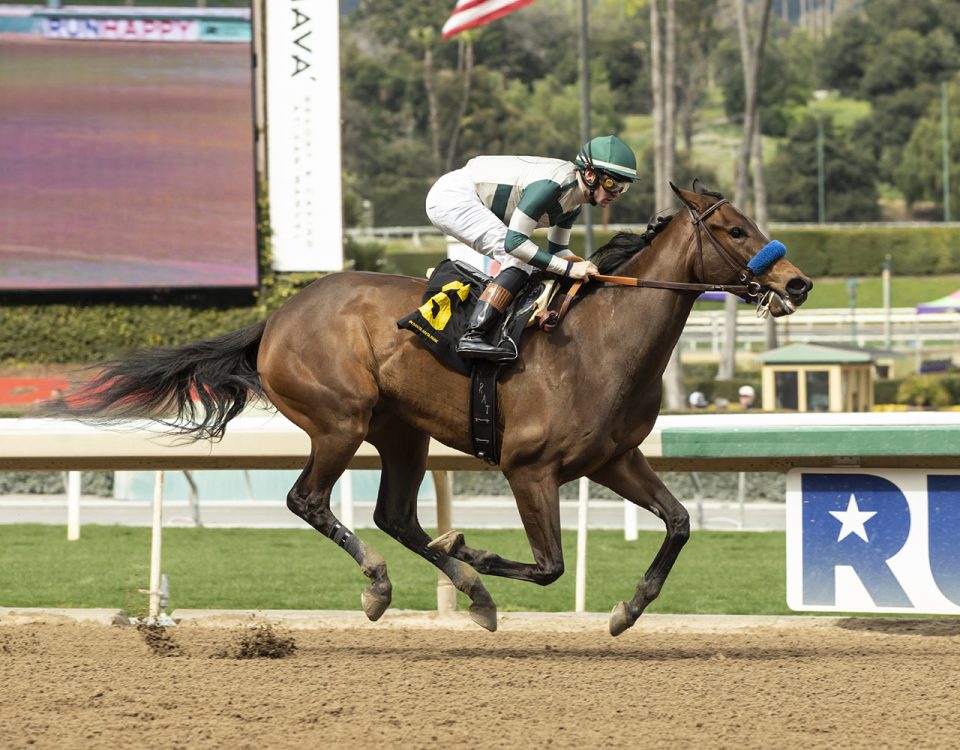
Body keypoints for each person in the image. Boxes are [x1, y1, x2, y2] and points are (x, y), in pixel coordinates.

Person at [425, 135, 637, 360]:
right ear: (590, 175)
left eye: (622, 188)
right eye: (612, 184)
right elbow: (514, 243)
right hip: (454, 197)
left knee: (533, 263)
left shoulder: (574, 204)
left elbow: (558, 252)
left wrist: (584, 266)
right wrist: (567, 269)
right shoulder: (550, 187)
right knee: (517, 259)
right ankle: (473, 335)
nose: (615, 194)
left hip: (470, 196)